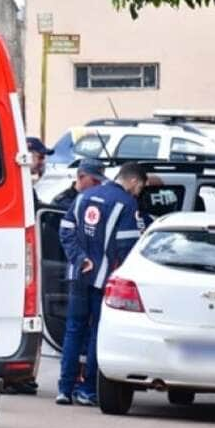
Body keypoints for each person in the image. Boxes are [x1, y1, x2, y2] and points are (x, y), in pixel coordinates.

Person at [56, 162, 148, 406]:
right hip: (104, 279)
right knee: (98, 331)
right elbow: (126, 247)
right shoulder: (127, 204)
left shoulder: (84, 196)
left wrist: (79, 259)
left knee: (73, 329)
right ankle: (87, 390)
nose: (138, 193)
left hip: (78, 275)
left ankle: (64, 389)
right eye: (140, 188)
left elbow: (65, 230)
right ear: (134, 182)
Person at [6, 135, 54, 396]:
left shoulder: (26, 187)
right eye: (40, 155)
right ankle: (16, 376)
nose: (43, 161)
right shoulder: (20, 186)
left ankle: (20, 376)